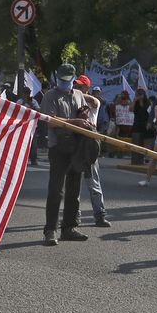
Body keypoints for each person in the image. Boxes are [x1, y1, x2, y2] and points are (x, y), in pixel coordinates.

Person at [40, 63, 95, 246]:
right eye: (62, 79)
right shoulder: (50, 96)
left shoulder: (79, 95)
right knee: (56, 191)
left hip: (77, 148)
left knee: (74, 191)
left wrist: (84, 116)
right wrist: (75, 121)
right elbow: (50, 120)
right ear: (57, 77)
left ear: (73, 79)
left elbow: (84, 112)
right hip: (58, 149)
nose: (65, 83)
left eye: (68, 80)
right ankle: (50, 230)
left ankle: (69, 227)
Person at [73, 75, 111, 228]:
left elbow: (96, 102)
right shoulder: (72, 100)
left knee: (93, 183)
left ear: (86, 88)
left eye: (80, 86)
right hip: (76, 143)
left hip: (89, 144)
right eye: (76, 86)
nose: (76, 88)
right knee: (73, 184)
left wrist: (78, 94)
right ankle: (74, 216)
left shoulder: (92, 101)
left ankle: (100, 215)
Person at [16, 86, 40, 166]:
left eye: (28, 93)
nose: (26, 95)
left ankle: (34, 159)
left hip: (32, 125)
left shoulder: (33, 101)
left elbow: (38, 110)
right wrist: (23, 103)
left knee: (33, 143)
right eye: (25, 93)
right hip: (22, 125)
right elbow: (16, 111)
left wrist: (31, 104)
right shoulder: (20, 101)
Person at [130, 88, 151, 165]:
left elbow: (150, 112)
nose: (139, 96)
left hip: (146, 124)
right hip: (137, 124)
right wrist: (135, 100)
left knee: (146, 142)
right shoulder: (136, 102)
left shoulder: (147, 102)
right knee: (137, 141)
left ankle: (146, 157)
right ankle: (137, 159)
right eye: (138, 94)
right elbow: (131, 109)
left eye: (140, 94)